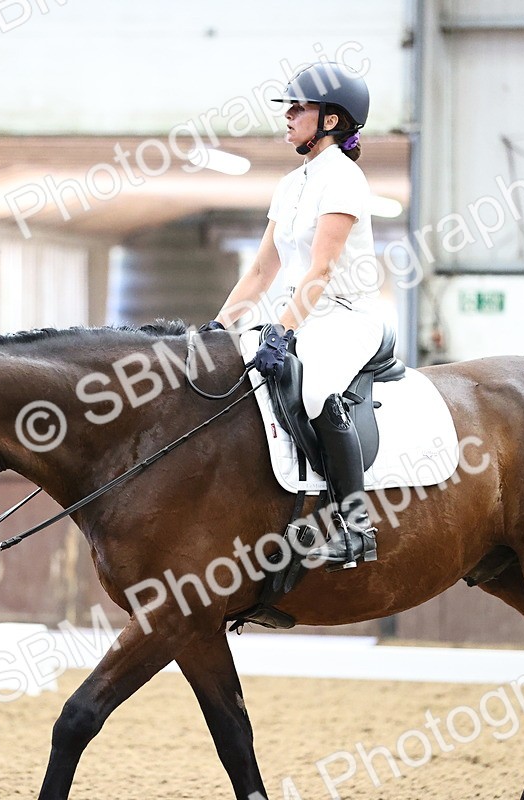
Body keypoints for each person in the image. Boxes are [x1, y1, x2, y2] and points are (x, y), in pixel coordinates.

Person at [201, 62, 391, 568]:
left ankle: (355, 527)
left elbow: (322, 270)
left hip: (347, 317)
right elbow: (262, 270)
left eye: (299, 107)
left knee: (313, 392)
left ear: (330, 120)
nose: (287, 115)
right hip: (299, 318)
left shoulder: (345, 180)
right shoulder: (290, 185)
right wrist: (218, 328)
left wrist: (281, 331)